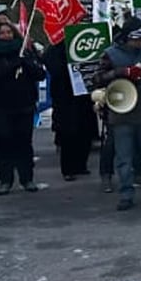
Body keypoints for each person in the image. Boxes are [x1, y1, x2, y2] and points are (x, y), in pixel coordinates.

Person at [94, 20, 141, 211]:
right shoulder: (110, 54)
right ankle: (126, 194)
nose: (139, 43)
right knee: (124, 157)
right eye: (136, 39)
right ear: (126, 37)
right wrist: (122, 73)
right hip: (122, 113)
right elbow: (96, 79)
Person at [0, 16, 47, 194]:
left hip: (24, 104)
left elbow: (39, 74)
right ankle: (5, 180)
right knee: (4, 142)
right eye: (2, 33)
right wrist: (11, 66)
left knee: (24, 142)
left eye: (9, 32)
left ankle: (27, 178)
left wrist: (27, 62)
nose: (6, 35)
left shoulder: (24, 51)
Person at [43, 40, 98, 181]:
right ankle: (68, 168)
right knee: (68, 131)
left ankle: (81, 164)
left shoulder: (85, 41)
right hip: (65, 94)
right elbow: (52, 66)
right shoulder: (56, 47)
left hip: (84, 92)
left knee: (85, 128)